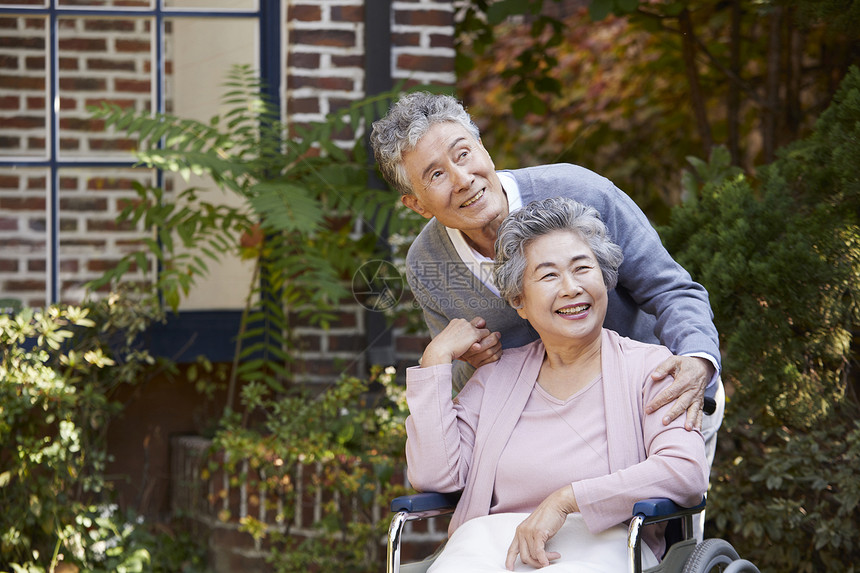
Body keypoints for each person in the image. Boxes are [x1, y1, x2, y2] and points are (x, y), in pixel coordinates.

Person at [370, 91, 724, 461]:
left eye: (463, 154)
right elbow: (471, 392)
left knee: (659, 516)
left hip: (658, 402)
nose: (462, 179)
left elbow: (671, 289)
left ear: (483, 148)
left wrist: (697, 359)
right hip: (554, 437)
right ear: (417, 204)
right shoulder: (428, 265)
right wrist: (471, 362)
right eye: (437, 174)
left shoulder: (581, 191)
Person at [404, 197, 708, 571]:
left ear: (604, 279)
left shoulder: (652, 369)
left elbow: (685, 471)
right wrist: (435, 360)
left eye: (582, 268)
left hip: (603, 547)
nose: (571, 288)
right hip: (489, 550)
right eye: (549, 275)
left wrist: (567, 500)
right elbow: (435, 475)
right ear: (519, 301)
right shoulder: (495, 378)